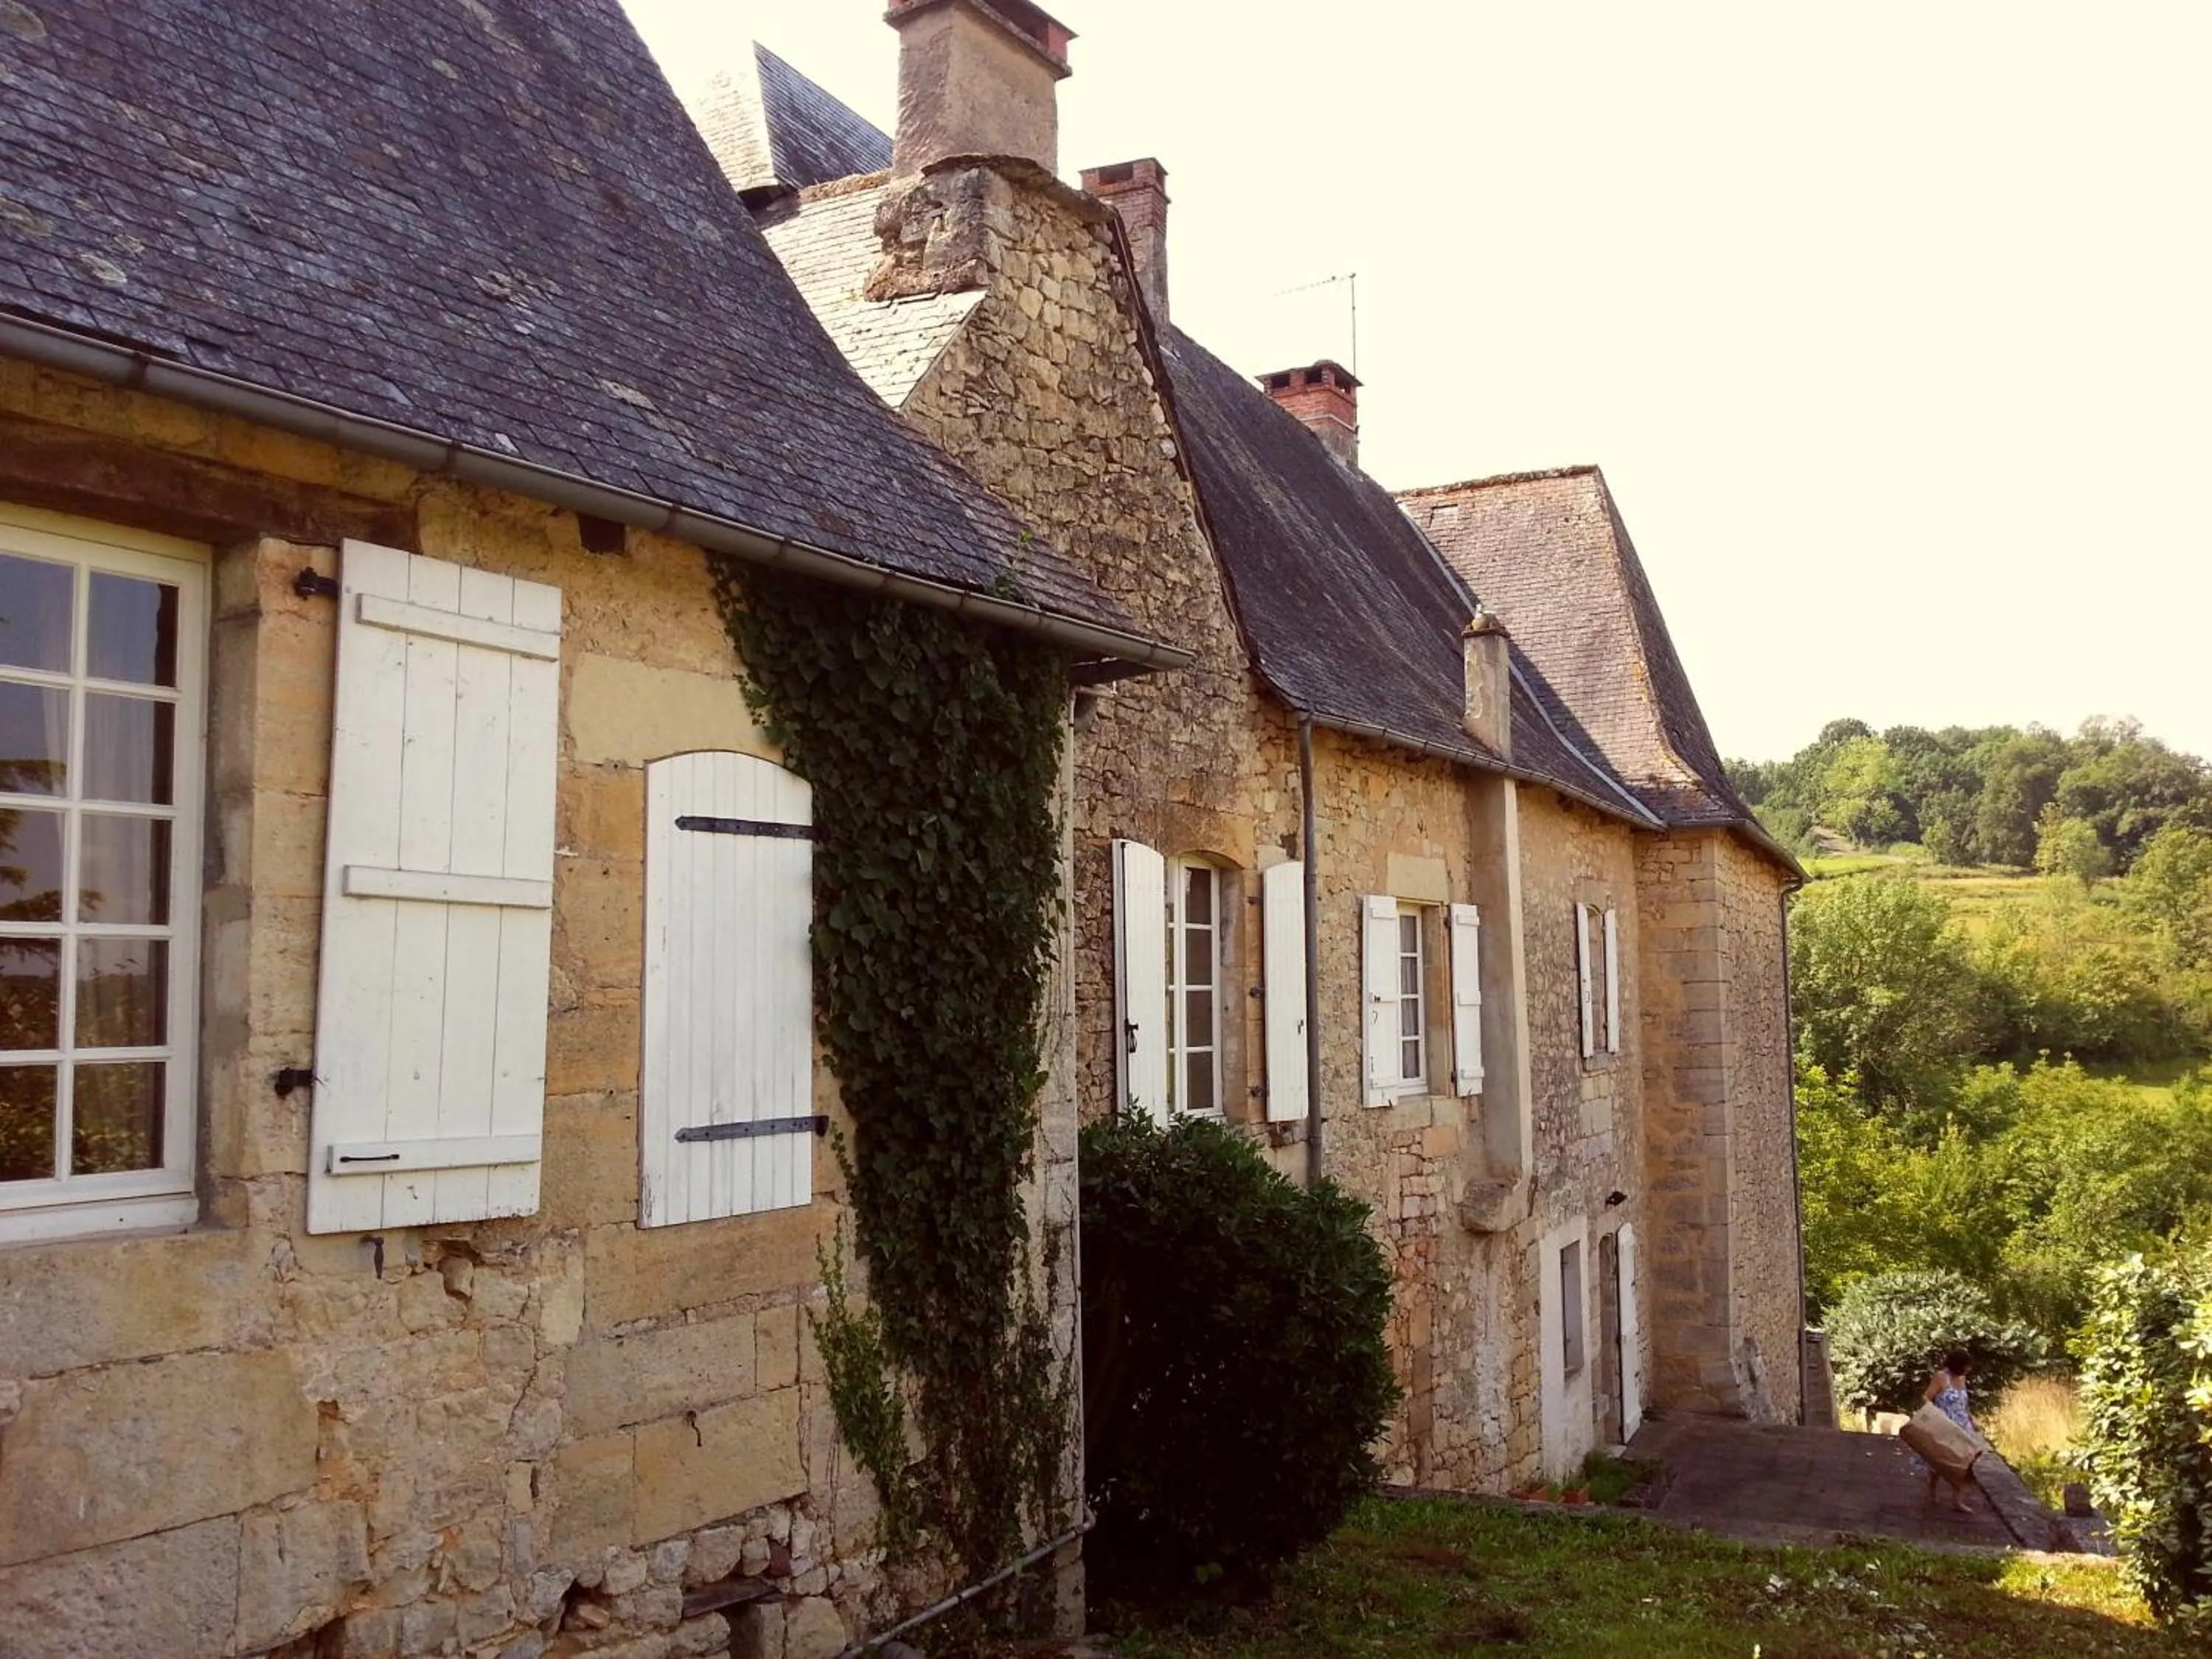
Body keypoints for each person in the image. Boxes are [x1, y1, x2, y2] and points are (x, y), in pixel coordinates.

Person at [1920, 1349, 1977, 1511]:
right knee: (1939, 1461)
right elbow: (1925, 1398)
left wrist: (1972, 1420)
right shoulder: (1941, 1377)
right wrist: (1935, 1414)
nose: (1969, 1370)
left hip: (1962, 1427)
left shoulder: (1962, 1378)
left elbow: (1964, 1403)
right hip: (1944, 1425)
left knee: (1963, 1464)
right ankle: (1932, 1491)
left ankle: (1957, 1500)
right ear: (1958, 1365)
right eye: (1966, 1366)